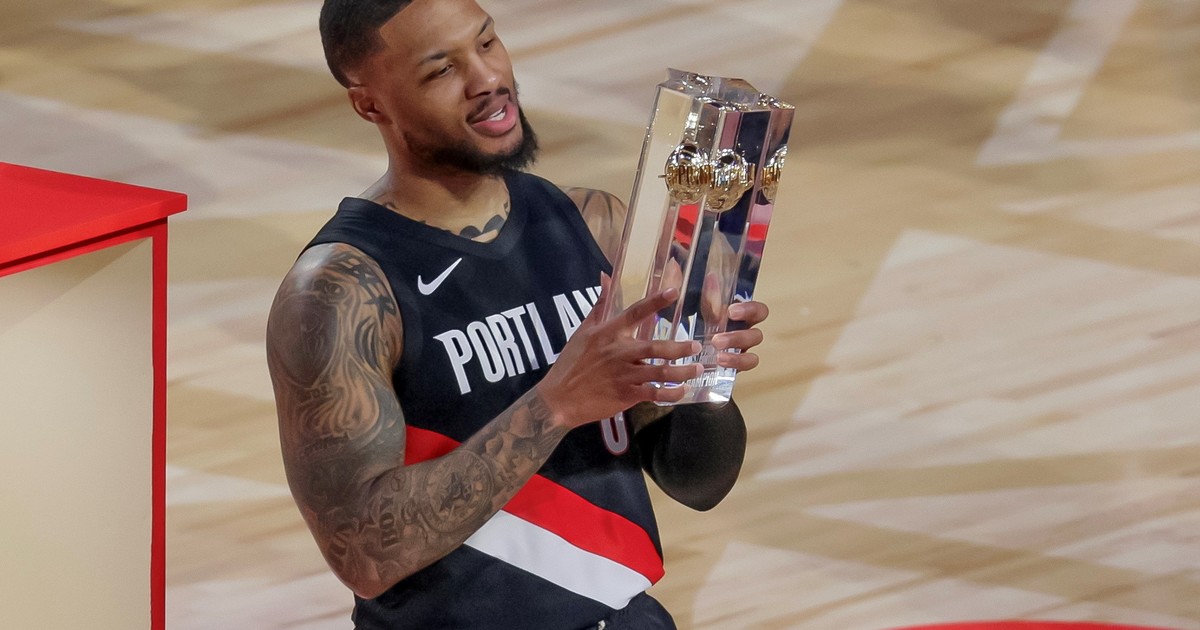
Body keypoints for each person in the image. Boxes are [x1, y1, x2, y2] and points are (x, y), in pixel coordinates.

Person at [265, 0, 770, 627]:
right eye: (441, 70)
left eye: (486, 43)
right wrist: (557, 404)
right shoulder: (340, 291)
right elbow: (365, 553)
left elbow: (697, 482)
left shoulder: (595, 225)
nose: (487, 79)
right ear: (370, 105)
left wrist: (704, 373)